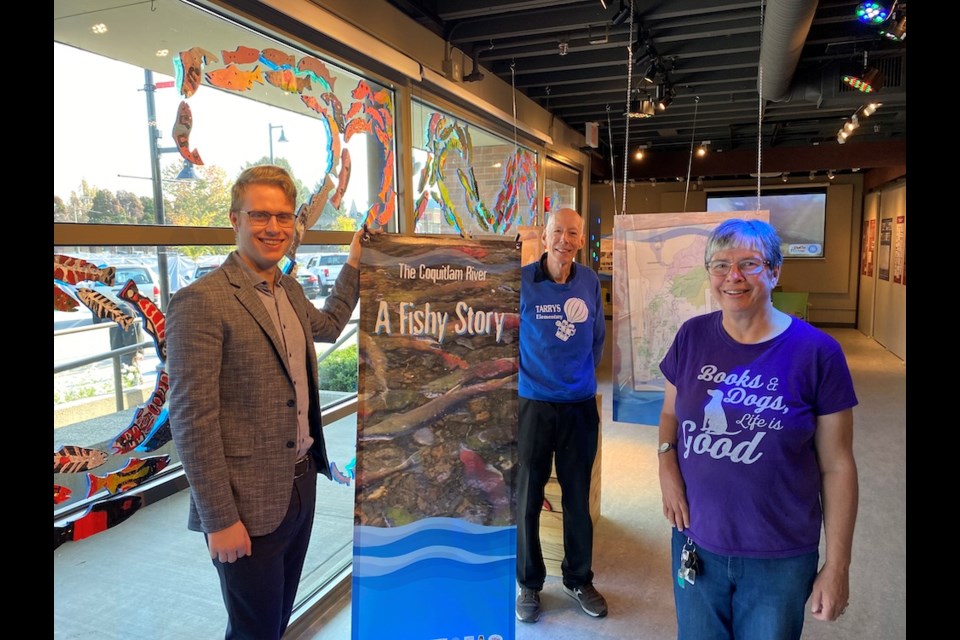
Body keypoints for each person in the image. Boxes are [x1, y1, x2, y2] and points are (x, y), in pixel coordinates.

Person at [166, 165, 370, 640]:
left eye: (283, 217)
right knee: (253, 631)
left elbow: (332, 324)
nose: (274, 228)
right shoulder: (201, 301)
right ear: (234, 219)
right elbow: (192, 420)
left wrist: (356, 264)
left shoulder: (289, 290)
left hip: (300, 485)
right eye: (260, 215)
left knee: (276, 621)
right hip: (244, 504)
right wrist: (220, 519)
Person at [657, 218, 859, 640]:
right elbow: (670, 416)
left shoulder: (818, 353)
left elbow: (838, 466)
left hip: (779, 557)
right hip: (696, 542)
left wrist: (837, 567)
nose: (733, 276)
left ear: (775, 271)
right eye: (720, 264)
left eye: (749, 263)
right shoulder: (691, 337)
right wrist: (666, 467)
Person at [515, 207, 607, 623]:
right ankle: (529, 584)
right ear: (544, 235)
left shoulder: (588, 280)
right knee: (528, 499)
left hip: (578, 407)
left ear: (580, 239)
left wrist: (577, 377)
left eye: (572, 233)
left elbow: (597, 339)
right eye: (557, 232)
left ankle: (577, 578)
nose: (564, 240)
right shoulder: (523, 282)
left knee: (576, 498)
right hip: (533, 404)